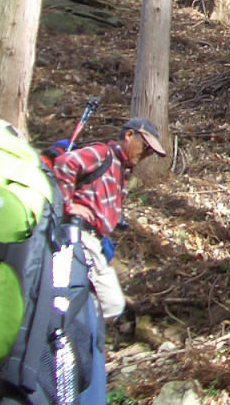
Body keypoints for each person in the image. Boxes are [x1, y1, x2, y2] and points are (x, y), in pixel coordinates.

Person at [51, 117, 167, 320]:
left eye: (150, 152)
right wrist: (68, 204)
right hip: (78, 235)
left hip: (94, 241)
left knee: (107, 303)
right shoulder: (102, 153)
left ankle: (74, 334)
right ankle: (68, 336)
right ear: (129, 135)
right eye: (146, 147)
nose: (146, 155)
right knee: (110, 303)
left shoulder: (122, 169)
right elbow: (64, 164)